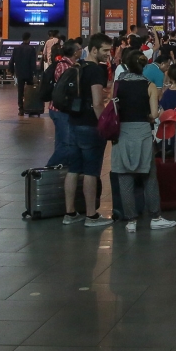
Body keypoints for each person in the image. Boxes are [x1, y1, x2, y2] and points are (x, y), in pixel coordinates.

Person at [111, 52, 176, 233]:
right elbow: (154, 114)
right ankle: (155, 217)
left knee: (125, 177)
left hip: (122, 132)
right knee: (149, 176)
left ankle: (131, 220)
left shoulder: (118, 85)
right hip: (142, 132)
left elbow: (114, 108)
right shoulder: (149, 86)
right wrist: (145, 117)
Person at [62, 33, 112, 227]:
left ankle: (70, 212)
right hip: (90, 126)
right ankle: (91, 215)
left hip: (73, 122)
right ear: (94, 50)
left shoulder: (78, 66)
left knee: (74, 169)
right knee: (91, 171)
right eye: (105, 50)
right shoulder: (96, 71)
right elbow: (98, 102)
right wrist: (105, 125)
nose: (108, 54)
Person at [8, 32, 37, 116]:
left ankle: (21, 109)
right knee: (30, 91)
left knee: (20, 91)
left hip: (19, 73)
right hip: (29, 73)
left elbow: (11, 61)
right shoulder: (31, 49)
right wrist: (34, 73)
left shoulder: (16, 48)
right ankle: (30, 108)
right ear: (29, 39)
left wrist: (12, 71)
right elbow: (33, 63)